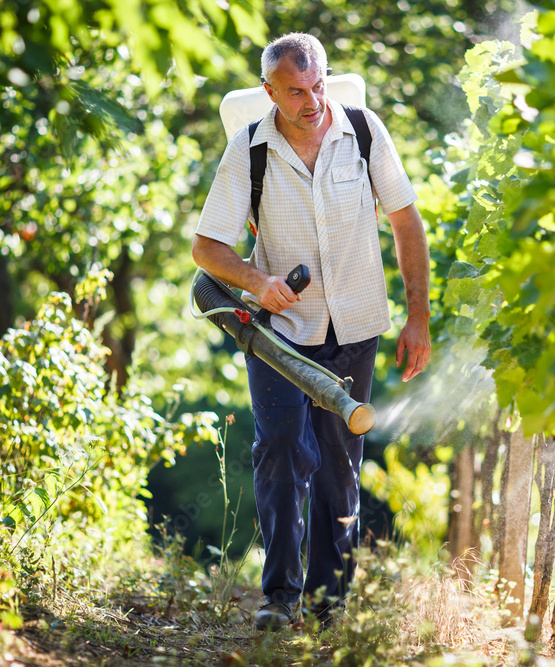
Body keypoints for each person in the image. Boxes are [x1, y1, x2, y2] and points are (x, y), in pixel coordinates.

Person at [192, 32, 431, 631]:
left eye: (319, 85)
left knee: (338, 464)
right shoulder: (249, 150)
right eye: (296, 91)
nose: (312, 100)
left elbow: (406, 222)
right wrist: (256, 280)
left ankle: (330, 604)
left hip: (354, 329)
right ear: (270, 91)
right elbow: (206, 249)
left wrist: (418, 317)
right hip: (280, 335)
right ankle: (279, 598)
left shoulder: (365, 132)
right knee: (280, 454)